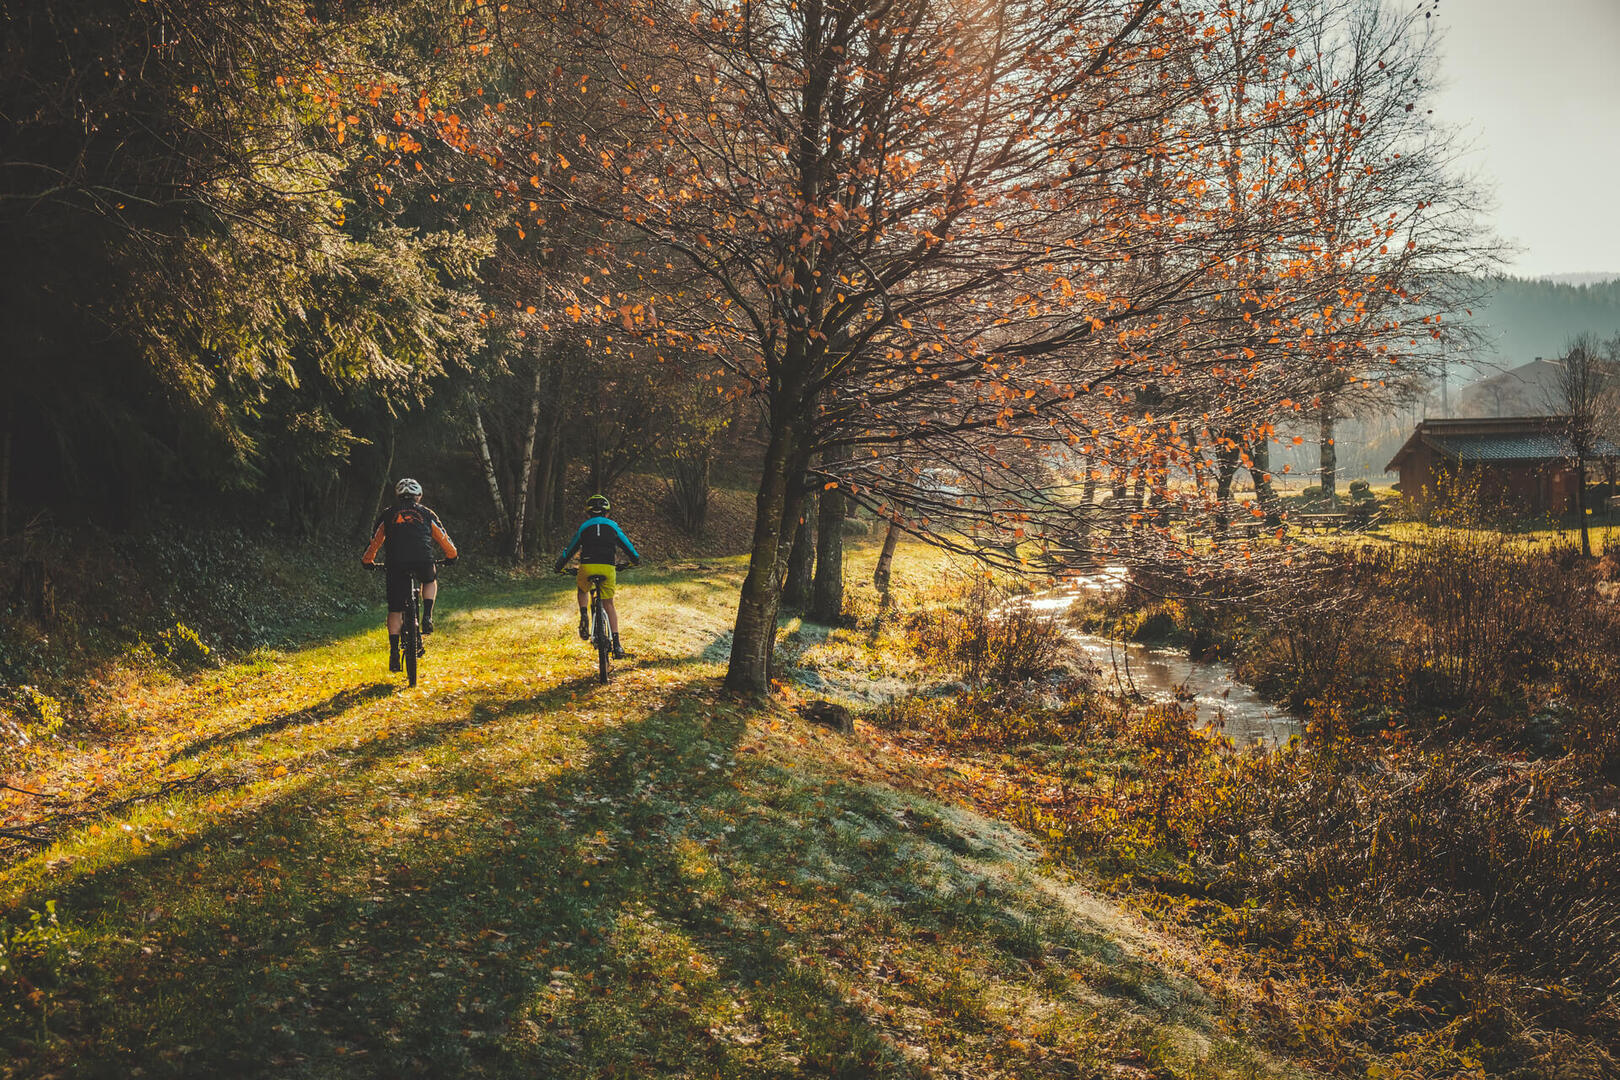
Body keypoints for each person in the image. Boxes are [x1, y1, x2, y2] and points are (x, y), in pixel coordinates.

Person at [361, 478, 458, 672]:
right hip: (423, 560)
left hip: (395, 564)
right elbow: (443, 537)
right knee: (430, 579)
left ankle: (394, 653)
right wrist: (451, 556)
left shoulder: (388, 514)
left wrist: (368, 561)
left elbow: (375, 541)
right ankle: (428, 616)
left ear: (397, 496)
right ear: (418, 496)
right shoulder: (426, 513)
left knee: (395, 609)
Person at [553, 494, 640, 658]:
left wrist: (559, 566)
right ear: (607, 513)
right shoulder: (613, 526)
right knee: (609, 604)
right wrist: (634, 560)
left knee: (582, 590)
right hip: (607, 567)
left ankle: (584, 614)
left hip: (587, 566)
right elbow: (628, 547)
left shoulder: (584, 527)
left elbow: (570, 550)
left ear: (587, 514)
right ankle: (618, 645)